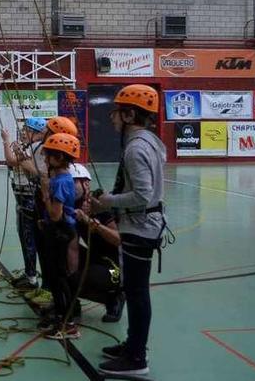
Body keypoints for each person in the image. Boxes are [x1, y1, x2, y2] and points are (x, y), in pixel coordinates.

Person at [91, 84, 166, 377]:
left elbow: (144, 195)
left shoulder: (136, 148)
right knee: (134, 291)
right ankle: (133, 344)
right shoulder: (150, 141)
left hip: (140, 228)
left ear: (130, 114)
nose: (112, 118)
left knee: (136, 293)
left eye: (116, 113)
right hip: (142, 225)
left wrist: (107, 202)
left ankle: (136, 358)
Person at [38, 132, 82, 340]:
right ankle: (62, 315)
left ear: (60, 158)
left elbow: (56, 215)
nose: (46, 160)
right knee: (57, 276)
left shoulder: (59, 182)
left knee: (58, 277)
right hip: (60, 230)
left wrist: (45, 194)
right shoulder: (64, 179)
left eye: (49, 156)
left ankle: (67, 323)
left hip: (61, 233)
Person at [68, 164, 124, 323]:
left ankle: (113, 297)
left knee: (84, 277)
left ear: (85, 184)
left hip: (116, 268)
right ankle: (72, 304)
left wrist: (93, 223)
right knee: (62, 262)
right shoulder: (74, 206)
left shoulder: (100, 205)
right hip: (97, 258)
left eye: (72, 183)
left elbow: (118, 239)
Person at [0, 117, 47, 289]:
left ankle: (31, 277)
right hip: (22, 197)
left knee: (28, 237)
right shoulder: (30, 147)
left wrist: (6, 141)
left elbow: (13, 162)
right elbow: (11, 162)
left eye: (27, 130)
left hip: (29, 198)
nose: (23, 133)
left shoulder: (37, 148)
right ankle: (30, 273)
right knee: (26, 237)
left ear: (38, 133)